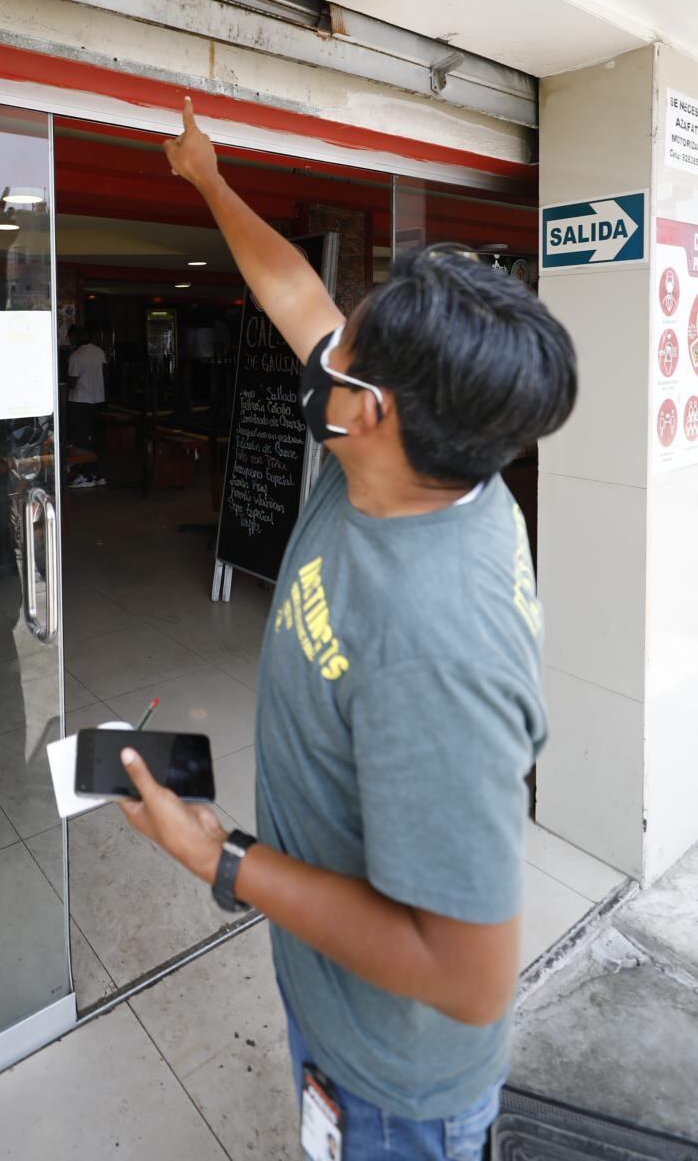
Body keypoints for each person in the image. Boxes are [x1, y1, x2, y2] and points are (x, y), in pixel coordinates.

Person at [116, 99, 577, 1159]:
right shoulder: (420, 459)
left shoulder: (440, 646)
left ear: (370, 410)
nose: (321, 349)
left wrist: (220, 857)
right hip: (335, 1006)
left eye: (343, 357)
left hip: (395, 1084)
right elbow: (296, 293)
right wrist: (206, 178)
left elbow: (468, 976)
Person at [66, 325, 107, 488]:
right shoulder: (99, 351)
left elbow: (72, 382)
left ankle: (85, 476)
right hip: (98, 400)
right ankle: (97, 474)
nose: (69, 340)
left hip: (80, 401)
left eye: (70, 337)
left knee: (80, 440)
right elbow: (104, 373)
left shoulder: (76, 356)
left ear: (75, 337)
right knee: (94, 439)